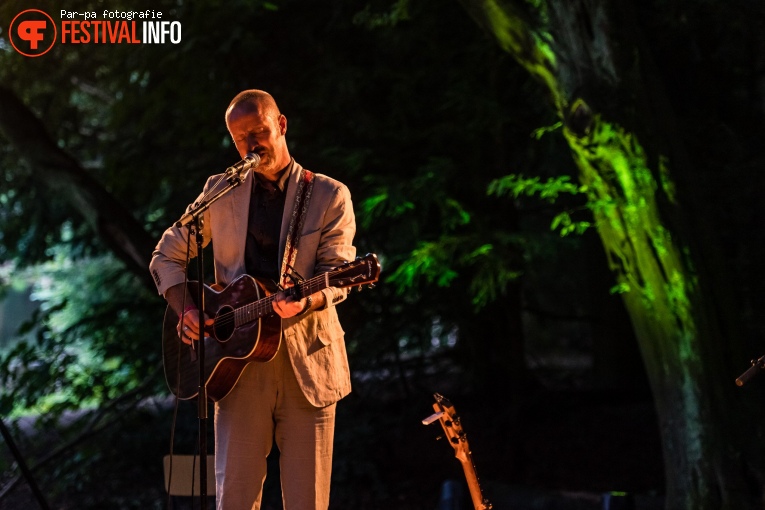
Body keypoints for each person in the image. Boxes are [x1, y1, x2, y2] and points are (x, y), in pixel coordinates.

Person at [149, 89, 356, 510]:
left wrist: (306, 302)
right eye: (240, 138)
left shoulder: (329, 195)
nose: (252, 144)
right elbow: (166, 255)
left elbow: (339, 277)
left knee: (308, 502)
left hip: (308, 365)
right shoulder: (218, 191)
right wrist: (187, 308)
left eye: (259, 132)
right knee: (235, 499)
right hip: (236, 366)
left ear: (281, 126)